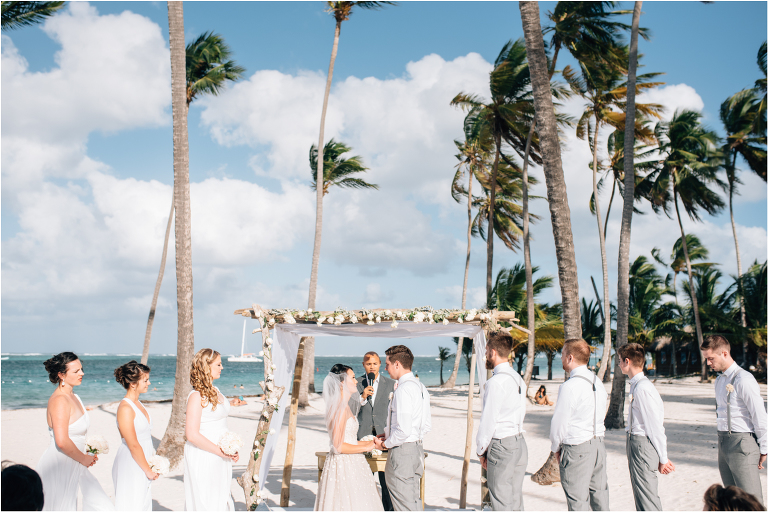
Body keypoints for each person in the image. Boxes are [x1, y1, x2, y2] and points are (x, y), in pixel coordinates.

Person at [36, 352, 114, 511]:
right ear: (61, 375)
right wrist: (84, 458)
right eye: (76, 371)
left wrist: (88, 453)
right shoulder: (60, 400)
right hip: (60, 464)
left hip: (74, 461)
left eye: (81, 369)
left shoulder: (74, 396)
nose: (82, 373)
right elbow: (62, 441)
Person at [701, 335, 767, 506]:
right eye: (706, 359)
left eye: (711, 358)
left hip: (742, 443)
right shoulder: (719, 381)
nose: (708, 363)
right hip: (723, 442)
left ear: (724, 353)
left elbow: (759, 414)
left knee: (751, 500)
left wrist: (764, 447)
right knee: (731, 500)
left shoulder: (744, 379)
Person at [314, 364, 384, 511]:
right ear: (342, 383)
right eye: (352, 378)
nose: (356, 381)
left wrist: (371, 441)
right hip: (343, 465)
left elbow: (348, 440)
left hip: (354, 462)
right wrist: (368, 446)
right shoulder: (339, 408)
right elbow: (338, 446)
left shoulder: (345, 406)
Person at [550, 339, 609, 511]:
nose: (561, 358)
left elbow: (559, 423)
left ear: (570, 357)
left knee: (577, 502)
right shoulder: (597, 382)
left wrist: (556, 448)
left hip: (577, 447)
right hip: (598, 445)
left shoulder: (570, 386)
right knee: (600, 498)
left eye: (562, 354)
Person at [618, 343, 675, 511]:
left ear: (627, 361)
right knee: (641, 497)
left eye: (620, 361)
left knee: (647, 498)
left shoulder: (642, 388)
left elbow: (655, 427)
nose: (619, 365)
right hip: (636, 444)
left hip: (642, 445)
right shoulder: (637, 385)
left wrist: (663, 458)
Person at [373, 345, 431, 511]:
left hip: (402, 453)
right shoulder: (421, 387)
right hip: (417, 450)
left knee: (404, 506)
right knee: (413, 501)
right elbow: (426, 425)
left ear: (397, 364)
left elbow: (404, 430)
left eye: (387, 364)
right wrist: (389, 433)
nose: (385, 368)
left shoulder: (403, 389)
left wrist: (385, 444)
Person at [476, 332, 528, 511]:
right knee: (515, 498)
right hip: (519, 442)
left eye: (486, 351)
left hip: (502, 444)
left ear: (493, 352)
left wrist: (481, 451)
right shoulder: (518, 378)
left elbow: (488, 421)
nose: (485, 355)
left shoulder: (496, 382)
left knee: (501, 500)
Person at [183, 349, 239, 510]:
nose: (222, 368)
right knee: (207, 500)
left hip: (220, 453)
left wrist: (231, 448)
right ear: (206, 366)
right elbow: (191, 435)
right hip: (205, 453)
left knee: (221, 498)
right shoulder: (196, 396)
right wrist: (221, 451)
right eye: (218, 364)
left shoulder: (216, 391)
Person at [112, 360, 157, 511]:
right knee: (132, 504)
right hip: (131, 462)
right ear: (132, 384)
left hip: (142, 459)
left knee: (142, 503)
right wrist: (148, 470)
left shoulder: (138, 403)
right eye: (145, 380)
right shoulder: (126, 408)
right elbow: (133, 444)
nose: (149, 383)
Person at [356, 351, 395, 511]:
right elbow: (349, 409)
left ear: (380, 364)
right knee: (363, 479)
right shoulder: (356, 383)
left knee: (386, 481)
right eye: (368, 363)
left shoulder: (391, 384)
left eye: (375, 363)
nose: (372, 366)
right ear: (363, 365)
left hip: (384, 437)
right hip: (362, 436)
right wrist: (362, 397)